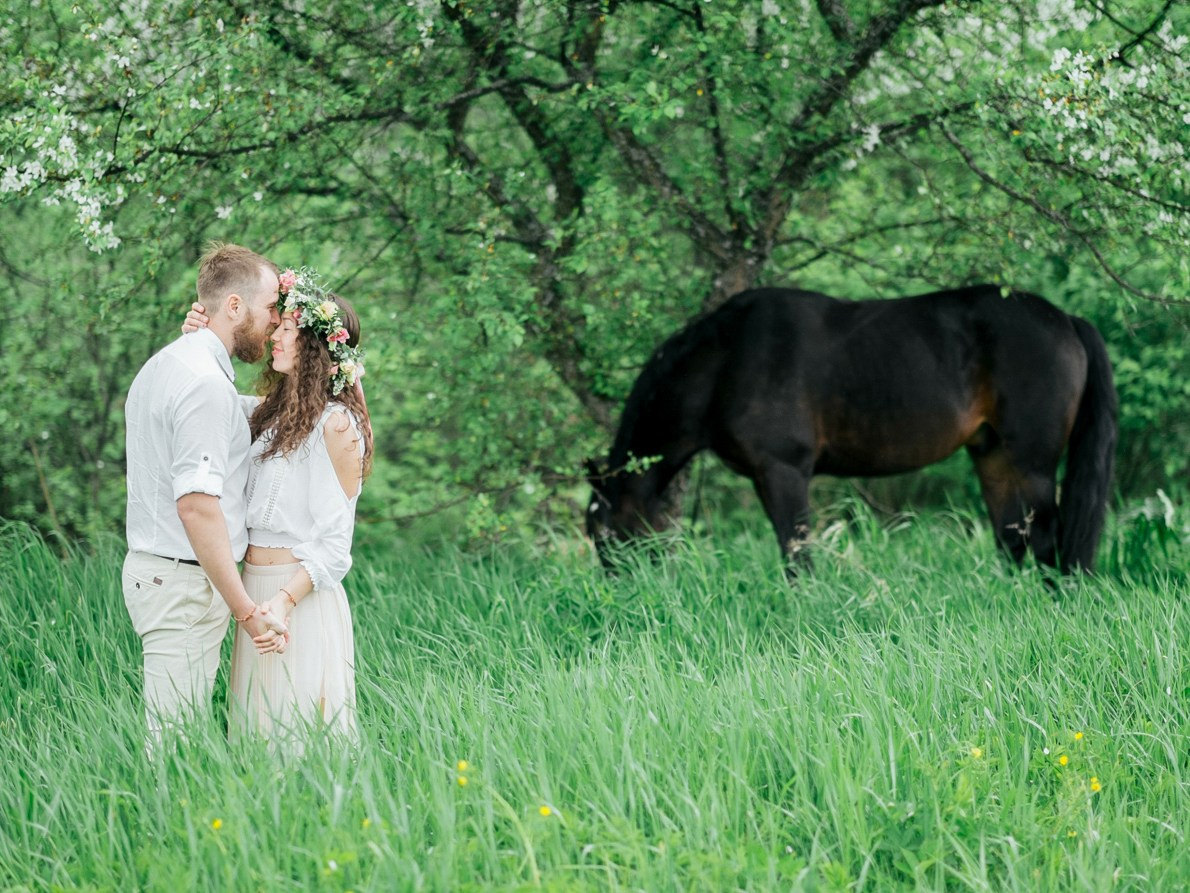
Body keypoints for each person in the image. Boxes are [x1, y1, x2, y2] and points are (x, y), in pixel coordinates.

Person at [186, 266, 372, 744]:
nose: (274, 336)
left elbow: (335, 545)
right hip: (253, 590)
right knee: (255, 735)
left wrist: (283, 602)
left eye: (287, 329)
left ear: (315, 347)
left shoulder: (336, 425)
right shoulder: (268, 414)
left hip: (299, 597)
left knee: (299, 736)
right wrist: (199, 339)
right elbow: (209, 400)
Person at [123, 242, 286, 740]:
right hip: (183, 583)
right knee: (173, 741)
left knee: (176, 732)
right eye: (271, 308)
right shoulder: (204, 384)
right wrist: (245, 610)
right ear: (234, 306)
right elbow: (196, 506)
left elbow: (241, 416)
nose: (276, 321)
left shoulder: (171, 363)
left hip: (171, 575)